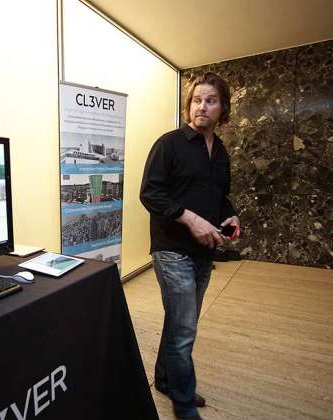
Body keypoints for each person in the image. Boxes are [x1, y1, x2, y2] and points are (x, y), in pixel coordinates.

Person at [139, 72, 240, 420]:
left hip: (204, 253)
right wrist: (191, 219)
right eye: (197, 100)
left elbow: (220, 196)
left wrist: (232, 216)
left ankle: (165, 380)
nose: (202, 106)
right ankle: (182, 404)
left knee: (181, 320)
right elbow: (149, 193)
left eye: (210, 100)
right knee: (185, 329)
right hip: (171, 249)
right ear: (189, 105)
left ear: (222, 109)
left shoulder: (221, 150)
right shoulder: (169, 143)